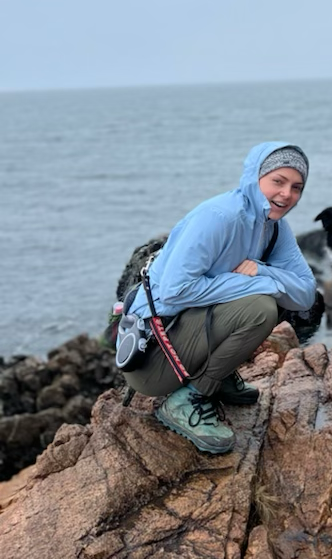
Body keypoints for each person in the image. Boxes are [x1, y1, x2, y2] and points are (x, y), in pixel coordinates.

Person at [122, 141, 316, 454]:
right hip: (154, 357)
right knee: (261, 308)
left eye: (296, 187)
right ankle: (191, 398)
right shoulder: (220, 217)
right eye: (277, 181)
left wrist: (264, 273)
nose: (286, 195)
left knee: (265, 295)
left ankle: (218, 375)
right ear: (255, 177)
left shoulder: (275, 228)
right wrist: (250, 284)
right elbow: (174, 291)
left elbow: (306, 294)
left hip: (186, 337)